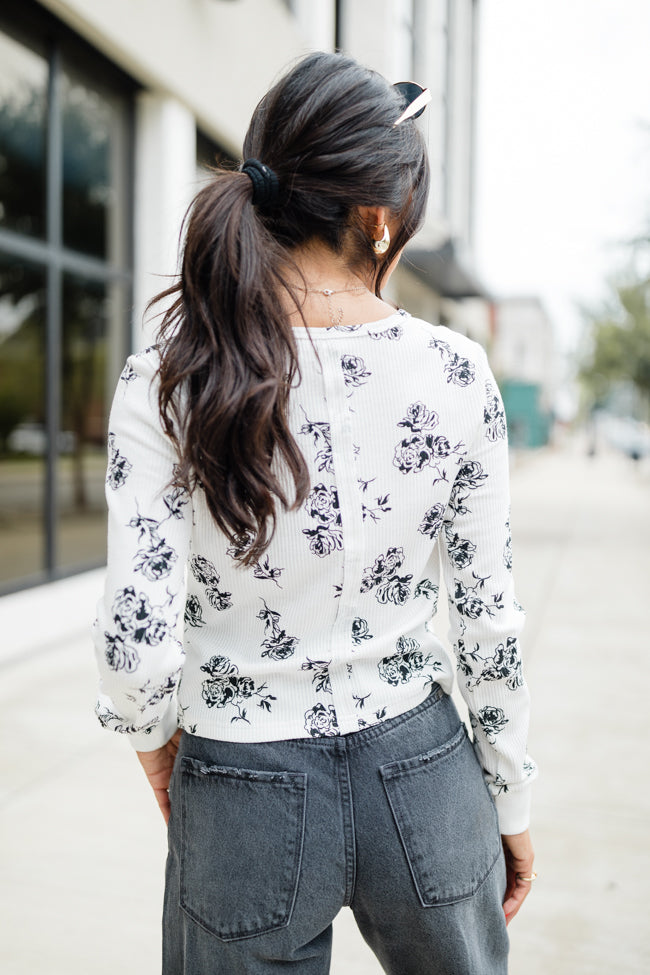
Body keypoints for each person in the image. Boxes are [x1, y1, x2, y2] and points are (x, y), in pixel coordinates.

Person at [93, 51, 536, 975]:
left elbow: (137, 645)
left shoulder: (168, 378)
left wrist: (155, 745)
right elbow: (487, 623)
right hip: (422, 772)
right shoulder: (456, 374)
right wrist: (510, 801)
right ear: (378, 220)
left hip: (240, 783)